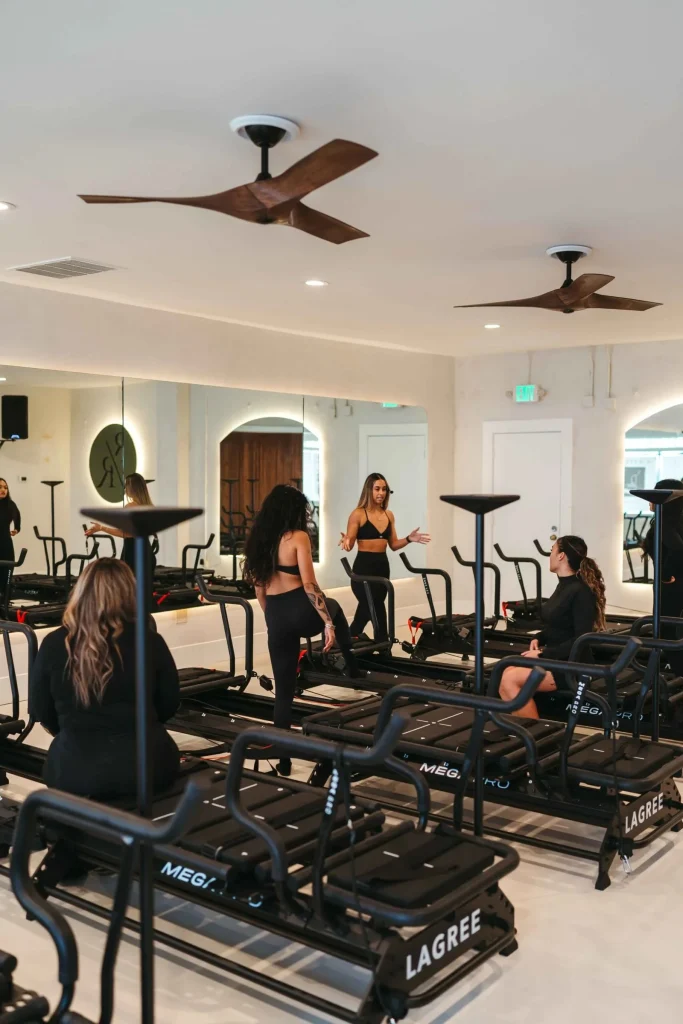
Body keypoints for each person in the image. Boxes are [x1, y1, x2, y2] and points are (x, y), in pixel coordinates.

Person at [29, 558, 180, 799]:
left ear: (81, 592)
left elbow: (41, 710)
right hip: (151, 768)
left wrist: (76, 730)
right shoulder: (150, 641)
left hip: (76, 772)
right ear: (129, 593)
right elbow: (169, 703)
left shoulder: (54, 644)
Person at [243, 484, 359, 775]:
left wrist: (272, 616)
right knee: (336, 608)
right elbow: (309, 584)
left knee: (284, 692)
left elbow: (259, 589)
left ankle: (283, 760)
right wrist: (327, 623)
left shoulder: (260, 539)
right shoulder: (299, 538)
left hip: (276, 615)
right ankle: (353, 666)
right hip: (302, 612)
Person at [498, 535, 606, 718]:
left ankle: (533, 739)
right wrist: (540, 637)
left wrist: (542, 653)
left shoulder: (581, 592)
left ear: (561, 556)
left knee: (509, 681)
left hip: (572, 666)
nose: (550, 555)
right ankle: (522, 731)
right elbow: (561, 625)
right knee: (505, 671)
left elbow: (582, 639)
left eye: (552, 550)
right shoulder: (563, 586)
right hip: (555, 659)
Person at [340, 473, 430, 640]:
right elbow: (350, 544)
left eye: (384, 489)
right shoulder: (358, 514)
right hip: (363, 568)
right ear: (369, 490)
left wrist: (410, 539)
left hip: (382, 567)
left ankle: (348, 638)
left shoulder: (389, 515)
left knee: (369, 608)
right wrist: (346, 541)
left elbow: (394, 545)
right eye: (377, 489)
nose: (381, 493)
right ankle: (382, 644)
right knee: (375, 607)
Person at [641, 478, 683, 670]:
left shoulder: (665, 523)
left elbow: (678, 549)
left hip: (671, 588)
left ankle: (677, 673)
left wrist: (665, 574)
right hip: (674, 585)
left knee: (667, 632)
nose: (650, 501)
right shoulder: (673, 520)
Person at [86, 472, 157, 581]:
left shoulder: (130, 506)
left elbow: (126, 534)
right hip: (147, 553)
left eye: (126, 485)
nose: (125, 489)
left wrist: (101, 528)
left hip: (133, 554)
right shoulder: (149, 507)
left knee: (127, 591)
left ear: (132, 488)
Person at [0, 478, 20, 595]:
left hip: (6, 543)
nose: (3, 490)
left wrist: (17, 528)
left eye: (5, 487)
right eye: (0, 487)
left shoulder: (10, 504)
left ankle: (4, 597)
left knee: (7, 569)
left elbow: (17, 516)